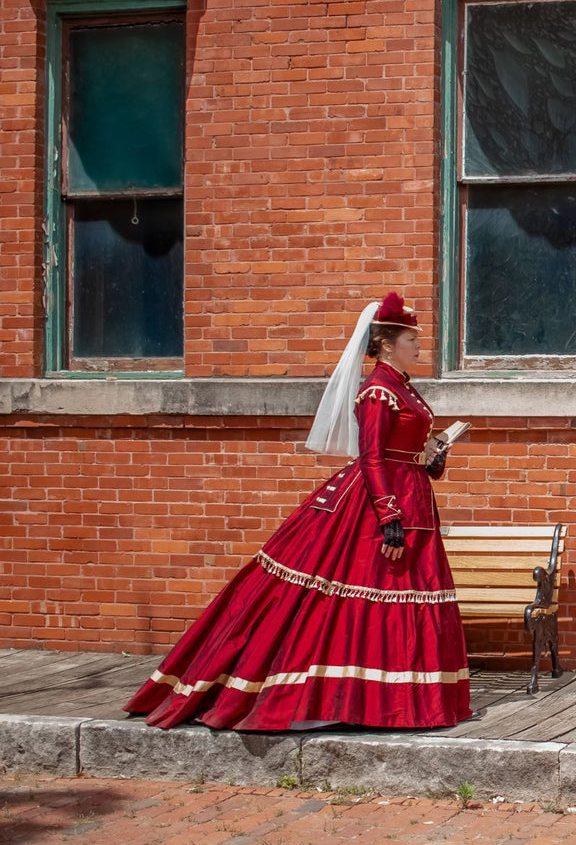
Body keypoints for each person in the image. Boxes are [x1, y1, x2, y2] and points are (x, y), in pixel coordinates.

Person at [125, 292, 472, 731]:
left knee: (409, 598)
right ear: (386, 344)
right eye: (411, 338)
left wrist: (433, 458)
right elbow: (371, 458)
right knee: (351, 601)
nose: (420, 346)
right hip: (377, 504)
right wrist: (388, 517)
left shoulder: (403, 388)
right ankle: (339, 699)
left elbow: (404, 451)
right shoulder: (377, 391)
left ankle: (404, 703)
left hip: (414, 496)